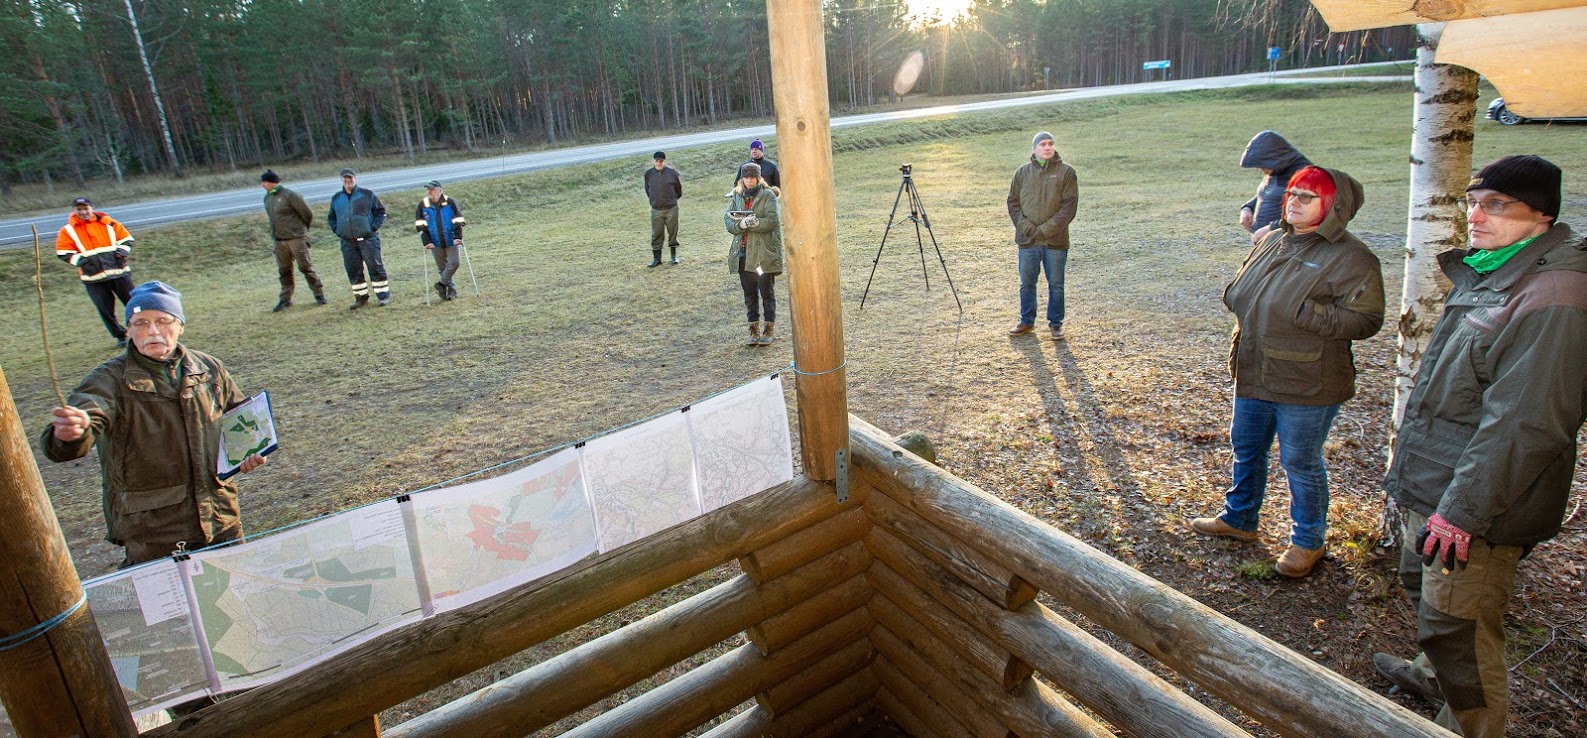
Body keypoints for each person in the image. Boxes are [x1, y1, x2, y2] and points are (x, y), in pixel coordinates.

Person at [1373, 155, 1586, 738]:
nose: (1476, 215)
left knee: (1461, 632)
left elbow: (1527, 423)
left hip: (1478, 506)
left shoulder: (1556, 294)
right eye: (1473, 201)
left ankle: (1472, 725)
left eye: (1496, 204)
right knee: (1428, 598)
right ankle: (1429, 675)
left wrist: (1462, 512)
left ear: (1543, 214)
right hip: (1440, 483)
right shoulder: (1496, 271)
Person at [1189, 165, 1385, 578]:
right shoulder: (1273, 239)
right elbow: (1247, 288)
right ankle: (1239, 518)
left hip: (1307, 380)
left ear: (1332, 205)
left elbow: (1366, 321)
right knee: (1246, 447)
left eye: (1306, 196)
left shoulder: (1352, 257)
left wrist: (1307, 313)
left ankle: (1308, 541)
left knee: (1299, 461)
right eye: (1292, 193)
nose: (1292, 201)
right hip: (1255, 367)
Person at [40, 281, 267, 568]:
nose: (153, 331)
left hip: (221, 517)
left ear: (180, 325)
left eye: (163, 321)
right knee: (170, 612)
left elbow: (240, 418)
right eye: (141, 323)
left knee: (235, 599)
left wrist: (250, 452)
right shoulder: (108, 380)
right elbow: (83, 419)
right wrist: (71, 432)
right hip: (155, 531)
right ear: (128, 330)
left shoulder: (208, 368)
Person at [1005, 131, 1079, 339]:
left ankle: (1055, 324)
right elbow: (1013, 203)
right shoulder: (1022, 173)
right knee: (1027, 282)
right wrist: (1027, 228)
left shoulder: (1066, 173)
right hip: (1028, 241)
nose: (1047, 147)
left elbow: (1068, 208)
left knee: (1056, 284)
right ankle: (1026, 321)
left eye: (1050, 144)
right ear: (1034, 149)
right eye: (1043, 144)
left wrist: (1045, 229)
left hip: (1055, 241)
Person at [55, 197, 135, 347]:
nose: (83, 212)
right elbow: (63, 252)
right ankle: (121, 336)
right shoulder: (67, 231)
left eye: (86, 208)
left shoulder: (109, 223)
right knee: (105, 310)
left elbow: (127, 240)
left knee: (134, 303)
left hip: (119, 272)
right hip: (93, 278)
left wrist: (121, 253)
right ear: (74, 211)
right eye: (79, 209)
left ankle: (140, 331)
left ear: (91, 208)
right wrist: (84, 262)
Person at [725, 162, 783, 346]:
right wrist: (740, 225)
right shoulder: (737, 196)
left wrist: (752, 222)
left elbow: (772, 221)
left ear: (758, 178)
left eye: (752, 177)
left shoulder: (768, 196)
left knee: (766, 292)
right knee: (749, 294)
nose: (749, 180)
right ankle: (753, 330)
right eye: (746, 177)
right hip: (742, 255)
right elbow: (728, 220)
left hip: (762, 256)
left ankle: (769, 329)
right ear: (742, 177)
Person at [260, 170, 327, 312]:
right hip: (279, 241)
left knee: (305, 268)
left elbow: (307, 214)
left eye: (264, 182)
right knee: (284, 271)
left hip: (296, 239)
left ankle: (319, 294)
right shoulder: (268, 198)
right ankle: (285, 299)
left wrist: (300, 232)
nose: (262, 185)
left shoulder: (290, 196)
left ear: (272, 182)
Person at [327, 168, 390, 309]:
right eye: (345, 179)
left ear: (355, 179)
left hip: (368, 240)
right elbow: (331, 217)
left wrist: (372, 227)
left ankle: (383, 296)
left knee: (375, 267)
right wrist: (338, 230)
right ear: (341, 180)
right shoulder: (337, 198)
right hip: (348, 242)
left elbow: (380, 212)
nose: (348, 181)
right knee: (353, 270)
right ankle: (361, 298)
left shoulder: (367, 195)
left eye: (350, 178)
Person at [1239, 131, 1311, 243]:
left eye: (1261, 165)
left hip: (1290, 247)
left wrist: (1272, 228)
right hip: (1269, 246)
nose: (1260, 168)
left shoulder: (1306, 176)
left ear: (1274, 158)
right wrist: (1247, 208)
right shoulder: (1276, 170)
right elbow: (1266, 194)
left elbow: (1309, 213)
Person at [414, 180, 466, 301]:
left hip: (451, 239)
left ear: (439, 190)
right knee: (442, 267)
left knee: (454, 263)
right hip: (434, 241)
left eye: (432, 190)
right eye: (428, 190)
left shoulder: (450, 202)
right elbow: (420, 225)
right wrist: (426, 241)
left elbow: (458, 220)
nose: (429, 192)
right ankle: (450, 290)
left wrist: (458, 237)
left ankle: (441, 284)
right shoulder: (423, 205)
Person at [645, 151, 684, 267]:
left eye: (661, 161)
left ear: (665, 161)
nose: (658, 163)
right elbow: (648, 189)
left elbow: (678, 190)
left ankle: (673, 256)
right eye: (656, 161)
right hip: (656, 209)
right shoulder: (649, 174)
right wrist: (655, 201)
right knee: (656, 234)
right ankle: (657, 259)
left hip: (671, 208)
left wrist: (670, 200)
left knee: (673, 232)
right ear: (653, 161)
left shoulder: (672, 173)